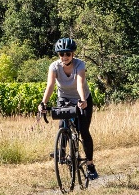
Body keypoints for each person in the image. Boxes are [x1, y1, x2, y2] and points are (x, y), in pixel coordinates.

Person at [38, 37, 97, 180]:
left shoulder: (80, 65)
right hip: (63, 98)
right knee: (61, 124)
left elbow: (79, 84)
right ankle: (62, 152)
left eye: (67, 54)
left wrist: (82, 100)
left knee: (83, 131)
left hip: (82, 98)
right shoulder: (54, 66)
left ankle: (90, 165)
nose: (64, 57)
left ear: (73, 54)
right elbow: (50, 85)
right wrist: (43, 103)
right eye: (61, 54)